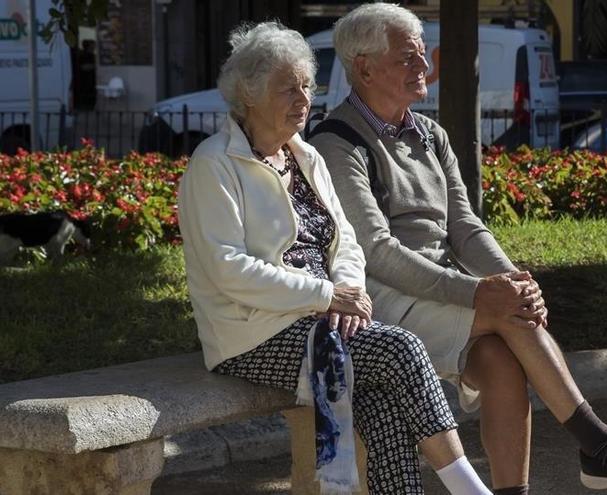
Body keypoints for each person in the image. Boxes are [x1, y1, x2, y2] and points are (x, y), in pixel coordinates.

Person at [309, 4, 607, 494]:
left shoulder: (430, 135)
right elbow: (378, 251)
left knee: (502, 358)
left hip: (439, 289)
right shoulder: (337, 142)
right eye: (408, 58)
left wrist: (515, 281)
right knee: (507, 315)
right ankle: (597, 444)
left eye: (423, 55)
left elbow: (466, 228)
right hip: (380, 298)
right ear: (363, 67)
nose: (423, 67)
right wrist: (478, 294)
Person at [177, 21, 494, 495]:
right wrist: (327, 294)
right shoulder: (214, 164)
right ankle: (470, 489)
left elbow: (345, 240)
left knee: (385, 405)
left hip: (322, 318)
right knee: (401, 349)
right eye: (288, 89)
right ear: (249, 95)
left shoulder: (305, 156)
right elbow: (230, 270)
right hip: (252, 332)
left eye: (307, 86)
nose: (303, 99)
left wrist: (348, 293)